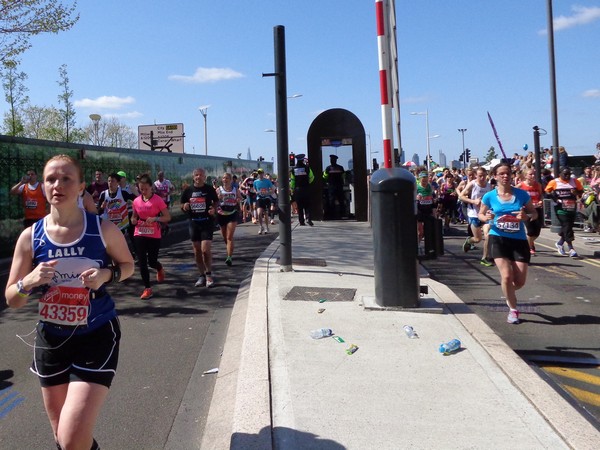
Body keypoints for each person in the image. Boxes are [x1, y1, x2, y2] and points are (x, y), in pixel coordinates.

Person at [4, 154, 134, 450]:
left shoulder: (102, 229)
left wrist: (106, 274)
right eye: (50, 179)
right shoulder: (30, 237)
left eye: (66, 179)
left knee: (72, 437)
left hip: (96, 334)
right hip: (51, 340)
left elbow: (128, 266)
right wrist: (28, 281)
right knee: (63, 439)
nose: (57, 185)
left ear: (81, 187)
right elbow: (12, 299)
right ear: (42, 186)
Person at [478, 161, 538, 325]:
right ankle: (513, 310)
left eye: (508, 173)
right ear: (495, 176)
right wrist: (486, 217)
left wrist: (526, 217)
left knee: (519, 282)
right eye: (501, 174)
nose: (505, 176)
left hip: (519, 240)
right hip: (498, 238)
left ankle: (508, 291)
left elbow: (534, 213)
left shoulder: (522, 195)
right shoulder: (489, 196)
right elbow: (481, 214)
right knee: (506, 276)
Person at [131, 174, 171, 299]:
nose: (143, 191)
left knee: (152, 262)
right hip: (140, 232)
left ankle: (159, 268)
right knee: (142, 261)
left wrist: (155, 218)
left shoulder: (157, 200)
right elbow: (134, 216)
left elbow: (167, 217)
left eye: (146, 189)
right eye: (141, 189)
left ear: (151, 188)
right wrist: (133, 220)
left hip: (154, 233)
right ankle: (147, 288)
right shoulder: (136, 201)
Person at [181, 167, 219, 288]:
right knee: (197, 251)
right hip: (194, 223)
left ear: (204, 177)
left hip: (206, 222)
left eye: (201, 175)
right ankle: (201, 275)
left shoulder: (209, 189)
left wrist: (214, 209)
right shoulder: (188, 190)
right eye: (196, 175)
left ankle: (209, 275)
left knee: (205, 250)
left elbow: (216, 201)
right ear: (193, 177)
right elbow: (182, 204)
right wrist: (184, 206)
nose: (198, 177)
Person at [545, 167, 584, 257]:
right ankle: (571, 248)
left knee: (568, 226)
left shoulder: (575, 181)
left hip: (572, 208)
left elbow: (581, 191)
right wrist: (555, 198)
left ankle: (560, 243)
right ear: (560, 174)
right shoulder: (554, 182)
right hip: (560, 208)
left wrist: (576, 192)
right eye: (565, 174)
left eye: (569, 174)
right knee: (566, 225)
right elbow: (547, 191)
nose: (567, 176)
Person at [459, 167, 493, 266]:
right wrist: (473, 201)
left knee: (488, 235)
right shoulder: (472, 184)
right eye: (480, 176)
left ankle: (485, 258)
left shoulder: (489, 186)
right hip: (474, 214)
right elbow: (461, 196)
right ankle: (470, 241)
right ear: (476, 176)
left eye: (484, 176)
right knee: (478, 239)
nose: (482, 178)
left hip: (486, 215)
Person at [517, 168, 544, 255]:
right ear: (525, 176)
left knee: (537, 232)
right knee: (530, 230)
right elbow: (513, 193)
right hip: (526, 209)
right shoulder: (520, 185)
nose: (533, 176)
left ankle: (528, 242)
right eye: (530, 174)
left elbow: (541, 195)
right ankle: (529, 248)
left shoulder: (538, 185)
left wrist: (541, 201)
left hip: (537, 209)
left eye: (534, 174)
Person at [216, 172, 242, 266]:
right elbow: (214, 201)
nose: (225, 180)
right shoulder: (218, 190)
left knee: (229, 237)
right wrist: (217, 198)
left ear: (231, 180)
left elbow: (240, 198)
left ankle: (229, 257)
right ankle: (229, 249)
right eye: (223, 178)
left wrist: (238, 200)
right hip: (221, 214)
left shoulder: (235, 189)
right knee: (224, 237)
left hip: (232, 213)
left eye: (227, 178)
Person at [290, 154, 315, 226]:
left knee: (300, 206)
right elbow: (312, 177)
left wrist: (293, 189)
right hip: (306, 189)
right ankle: (308, 219)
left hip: (298, 190)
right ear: (303, 159)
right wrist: (307, 183)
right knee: (308, 205)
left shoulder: (293, 169)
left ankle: (301, 221)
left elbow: (292, 181)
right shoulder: (307, 168)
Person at [415, 171, 437, 246]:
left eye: (426, 180)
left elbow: (433, 201)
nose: (425, 182)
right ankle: (417, 246)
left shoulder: (430, 187)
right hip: (420, 211)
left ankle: (428, 247)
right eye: (423, 181)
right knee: (420, 232)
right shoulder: (416, 187)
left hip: (428, 210)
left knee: (428, 231)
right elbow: (411, 198)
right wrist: (416, 198)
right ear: (419, 179)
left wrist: (435, 214)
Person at [323, 154, 346, 219]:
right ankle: (342, 214)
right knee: (341, 200)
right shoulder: (340, 168)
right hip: (339, 186)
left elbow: (324, 177)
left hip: (331, 186)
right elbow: (344, 176)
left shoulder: (328, 168)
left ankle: (331, 215)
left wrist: (326, 181)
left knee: (331, 201)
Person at [253, 168, 275, 234]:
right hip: (259, 198)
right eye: (259, 173)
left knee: (266, 214)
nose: (260, 174)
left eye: (261, 173)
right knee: (259, 213)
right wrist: (256, 192)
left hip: (266, 198)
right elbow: (254, 189)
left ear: (263, 173)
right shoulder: (255, 182)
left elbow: (272, 190)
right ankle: (261, 226)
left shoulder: (267, 181)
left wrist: (268, 192)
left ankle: (267, 227)